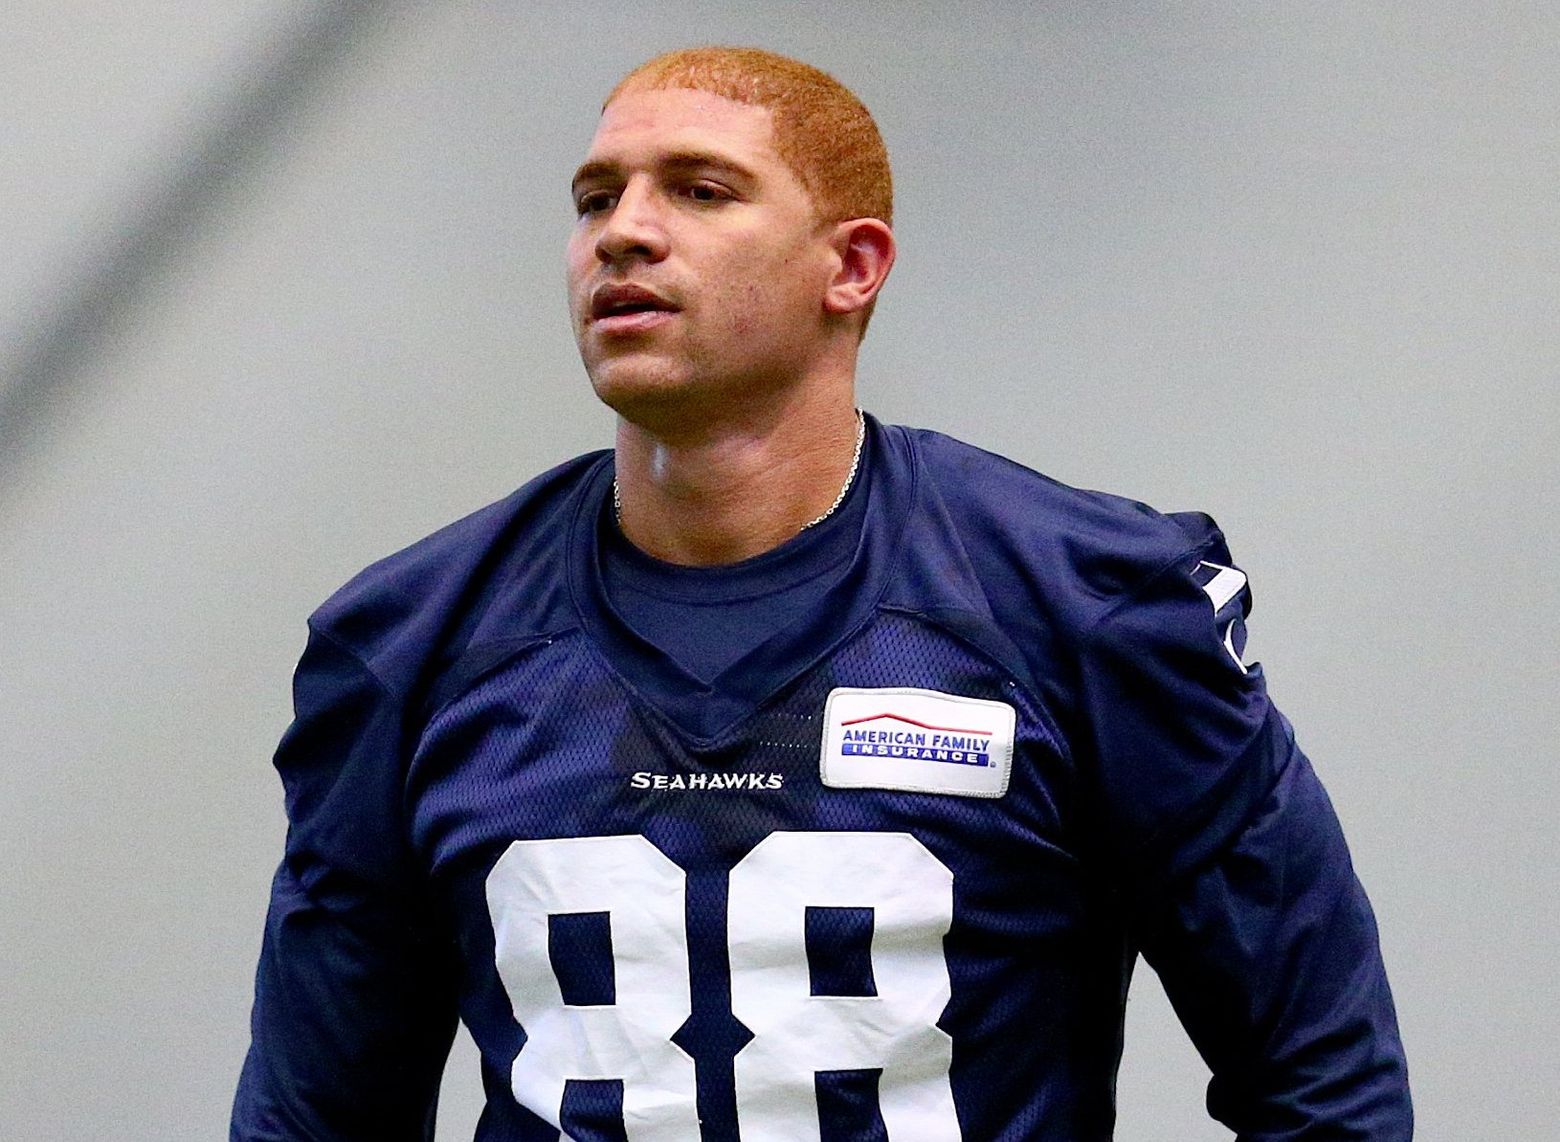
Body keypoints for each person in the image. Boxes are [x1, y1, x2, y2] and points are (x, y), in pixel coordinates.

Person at [232, 46, 1412, 1140]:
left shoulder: (1083, 606)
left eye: (699, 190)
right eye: (597, 198)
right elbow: (313, 1114)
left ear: (850, 266)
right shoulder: (414, 643)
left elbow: (1318, 1070)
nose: (624, 234)